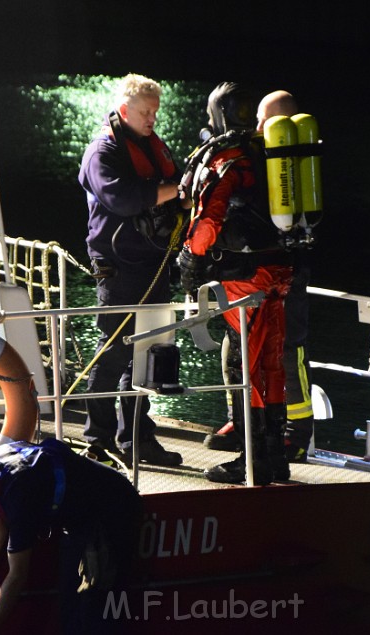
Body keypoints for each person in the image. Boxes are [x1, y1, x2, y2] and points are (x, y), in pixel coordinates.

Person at [177, 82, 295, 485]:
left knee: (248, 365)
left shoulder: (228, 157)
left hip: (246, 278)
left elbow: (209, 217)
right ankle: (275, 456)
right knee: (272, 365)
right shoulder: (272, 152)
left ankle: (252, 462)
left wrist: (191, 259)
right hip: (280, 272)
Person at [202, 90, 316, 462]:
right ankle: (241, 421)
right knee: (236, 345)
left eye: (264, 121)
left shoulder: (291, 160)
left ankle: (296, 432)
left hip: (287, 268)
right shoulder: (255, 155)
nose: (257, 127)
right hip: (253, 268)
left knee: (287, 350)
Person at [77, 73, 184, 468]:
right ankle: (96, 439)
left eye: (155, 111)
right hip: (119, 269)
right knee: (112, 357)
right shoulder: (102, 152)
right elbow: (122, 199)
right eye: (145, 111)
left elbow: (176, 179)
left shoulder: (153, 147)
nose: (152, 118)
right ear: (125, 110)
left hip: (154, 265)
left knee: (147, 357)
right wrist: (176, 192)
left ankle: (137, 439)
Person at [0, 438, 141, 634]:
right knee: (69, 605)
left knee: (93, 609)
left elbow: (17, 576)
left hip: (113, 509)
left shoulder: (18, 493)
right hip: (78, 518)